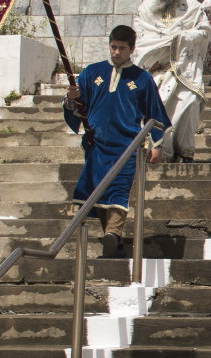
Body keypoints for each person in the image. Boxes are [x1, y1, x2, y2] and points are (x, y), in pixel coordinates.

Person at [64, 25, 170, 258]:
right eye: (113, 47)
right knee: (99, 191)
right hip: (96, 143)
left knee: (118, 189)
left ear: (132, 49)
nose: (116, 52)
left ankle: (113, 232)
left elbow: (155, 114)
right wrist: (72, 98)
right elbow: (77, 105)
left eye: (122, 48)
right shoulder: (92, 72)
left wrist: (157, 145)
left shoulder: (142, 79)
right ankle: (113, 240)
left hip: (127, 145)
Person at [131, 0, 210, 163]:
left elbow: (205, 31)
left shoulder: (192, 6)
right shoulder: (146, 8)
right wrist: (149, 60)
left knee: (190, 101)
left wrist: (181, 38)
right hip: (156, 69)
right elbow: (141, 37)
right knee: (158, 103)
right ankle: (163, 152)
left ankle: (184, 151)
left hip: (185, 68)